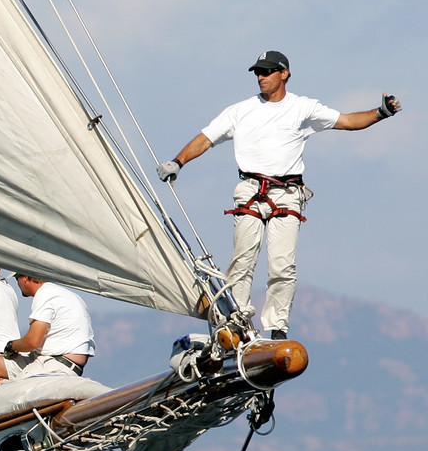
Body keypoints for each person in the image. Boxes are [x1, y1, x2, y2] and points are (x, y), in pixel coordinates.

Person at [157, 50, 400, 339]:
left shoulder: (303, 108)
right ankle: (237, 323)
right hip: (249, 190)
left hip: (287, 192)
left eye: (268, 71)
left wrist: (381, 112)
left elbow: (347, 121)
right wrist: (177, 162)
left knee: (282, 265)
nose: (261, 76)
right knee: (242, 260)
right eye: (258, 72)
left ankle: (276, 328)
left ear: (284, 73)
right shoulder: (239, 110)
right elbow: (206, 138)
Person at [0, 273, 94, 389]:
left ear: (25, 278)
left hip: (54, 366)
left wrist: (11, 346)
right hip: (59, 361)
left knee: (2, 395)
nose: (17, 283)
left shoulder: (45, 294)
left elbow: (32, 342)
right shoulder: (66, 294)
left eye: (17, 278)